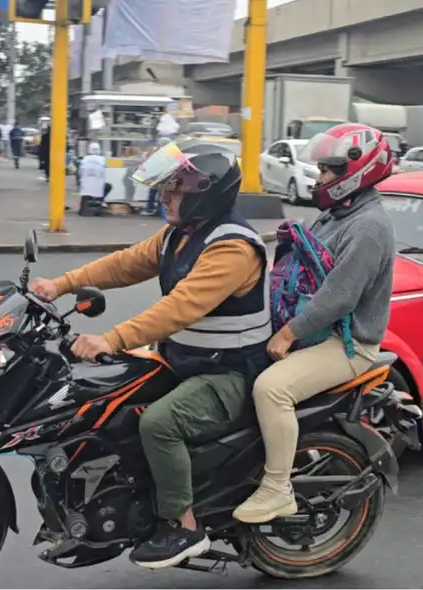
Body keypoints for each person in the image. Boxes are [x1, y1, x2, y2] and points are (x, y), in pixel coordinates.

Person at [28, 142, 271, 569]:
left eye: (174, 190)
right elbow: (124, 264)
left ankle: (183, 525)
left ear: (204, 195)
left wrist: (112, 338)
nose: (163, 197)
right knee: (106, 400)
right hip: (185, 359)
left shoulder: (232, 248)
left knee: (160, 423)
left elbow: (181, 307)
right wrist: (61, 284)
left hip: (229, 373)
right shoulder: (179, 236)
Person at [232, 123, 396, 524]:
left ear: (357, 171)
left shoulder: (368, 226)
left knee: (272, 389)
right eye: (321, 168)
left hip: (348, 344)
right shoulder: (338, 214)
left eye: (328, 170)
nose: (320, 177)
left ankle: (276, 489)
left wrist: (289, 333)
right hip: (321, 334)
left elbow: (338, 297)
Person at [77, 142, 108, 215]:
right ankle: (100, 206)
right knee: (106, 187)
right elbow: (104, 172)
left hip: (86, 185)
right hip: (98, 185)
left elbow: (79, 172)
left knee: (85, 192)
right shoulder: (102, 159)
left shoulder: (84, 159)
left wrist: (81, 180)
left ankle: (83, 209)